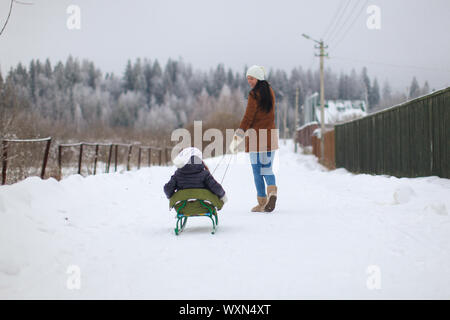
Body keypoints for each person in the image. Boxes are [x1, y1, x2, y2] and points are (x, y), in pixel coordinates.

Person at [229, 65, 279, 212]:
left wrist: (238, 134)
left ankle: (262, 201)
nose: (249, 81)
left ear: (258, 77)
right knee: (267, 168)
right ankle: (272, 193)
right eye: (248, 79)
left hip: (257, 138)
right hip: (270, 136)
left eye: (251, 78)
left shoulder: (254, 95)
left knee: (257, 171)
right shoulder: (270, 92)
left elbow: (248, 117)